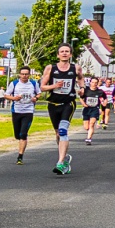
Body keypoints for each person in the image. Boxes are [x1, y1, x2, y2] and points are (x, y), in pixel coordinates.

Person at [40, 43, 84, 175]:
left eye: (67, 51)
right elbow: (42, 87)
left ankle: (60, 163)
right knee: (58, 134)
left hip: (68, 104)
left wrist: (82, 89)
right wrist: (54, 86)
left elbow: (81, 79)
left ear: (70, 54)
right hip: (53, 104)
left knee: (63, 131)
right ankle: (64, 158)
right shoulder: (50, 68)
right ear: (58, 55)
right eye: (62, 51)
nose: (64, 53)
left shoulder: (76, 68)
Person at [2, 65, 40, 164]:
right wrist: (14, 98)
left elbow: (39, 93)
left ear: (29, 75)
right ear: (19, 75)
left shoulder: (33, 83)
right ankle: (21, 142)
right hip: (16, 111)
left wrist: (36, 98)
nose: (24, 76)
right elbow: (6, 95)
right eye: (22, 74)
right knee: (17, 135)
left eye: (26, 74)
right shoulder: (14, 83)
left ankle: (20, 156)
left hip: (28, 111)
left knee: (23, 134)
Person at [79, 77, 105, 145]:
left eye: (96, 83)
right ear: (90, 83)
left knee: (92, 124)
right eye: (93, 82)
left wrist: (104, 103)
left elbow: (105, 98)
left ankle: (89, 138)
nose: (94, 84)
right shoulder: (86, 90)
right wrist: (84, 104)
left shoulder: (100, 91)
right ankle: (89, 132)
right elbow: (81, 98)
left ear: (98, 83)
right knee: (86, 127)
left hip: (95, 109)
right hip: (87, 109)